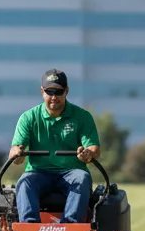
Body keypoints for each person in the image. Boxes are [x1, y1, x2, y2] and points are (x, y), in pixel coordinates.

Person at [8, 68, 101, 223]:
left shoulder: (82, 117)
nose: (53, 97)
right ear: (42, 91)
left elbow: (94, 149)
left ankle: (70, 226)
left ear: (66, 91)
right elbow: (15, 155)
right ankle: (29, 228)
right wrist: (16, 153)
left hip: (72, 172)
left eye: (58, 92)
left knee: (82, 178)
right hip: (38, 173)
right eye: (49, 92)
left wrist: (88, 154)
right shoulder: (28, 118)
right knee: (24, 181)